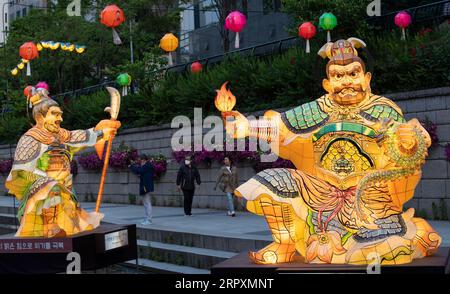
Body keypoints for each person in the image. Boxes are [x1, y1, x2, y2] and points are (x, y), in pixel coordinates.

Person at [220, 38, 441, 265]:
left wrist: (408, 143)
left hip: (369, 195)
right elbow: (281, 127)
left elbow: (404, 152)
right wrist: (246, 126)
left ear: (366, 79)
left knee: (383, 247)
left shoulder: (383, 110)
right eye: (338, 76)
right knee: (271, 180)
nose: (346, 81)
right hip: (320, 191)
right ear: (327, 84)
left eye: (353, 74)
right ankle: (284, 244)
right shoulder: (318, 109)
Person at [5, 83, 120, 237]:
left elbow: (81, 136)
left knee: (70, 215)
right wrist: (45, 182)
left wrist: (103, 132)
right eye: (55, 114)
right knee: (52, 189)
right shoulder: (29, 139)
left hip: (64, 183)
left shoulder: (62, 135)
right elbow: (20, 171)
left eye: (60, 114)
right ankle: (49, 226)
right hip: (42, 186)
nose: (60, 118)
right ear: (40, 117)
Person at [130, 154, 155, 225]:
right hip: (145, 186)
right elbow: (140, 170)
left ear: (143, 160)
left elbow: (138, 170)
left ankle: (149, 219)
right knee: (146, 203)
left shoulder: (147, 166)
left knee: (147, 203)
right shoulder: (146, 166)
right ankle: (147, 218)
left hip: (146, 186)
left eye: (140, 160)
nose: (139, 161)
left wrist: (132, 166)